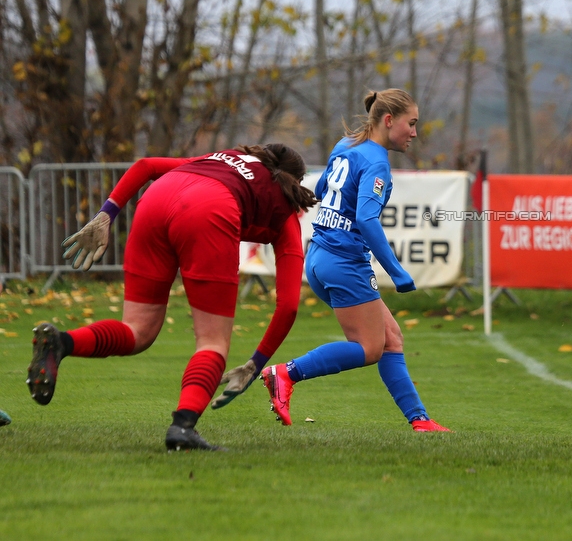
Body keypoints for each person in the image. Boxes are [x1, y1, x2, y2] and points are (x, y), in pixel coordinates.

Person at [28, 144, 317, 451]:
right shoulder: (283, 212)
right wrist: (254, 364)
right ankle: (182, 427)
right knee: (212, 343)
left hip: (156, 199)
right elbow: (287, 306)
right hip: (210, 208)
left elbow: (146, 166)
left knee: (137, 331)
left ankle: (62, 342)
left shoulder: (223, 159)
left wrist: (107, 214)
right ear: (293, 185)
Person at [214, 89, 450, 432]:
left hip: (320, 255)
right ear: (388, 120)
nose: (414, 132)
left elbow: (323, 188)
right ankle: (284, 373)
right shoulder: (376, 161)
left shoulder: (345, 146)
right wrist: (397, 272)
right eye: (411, 123)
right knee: (370, 348)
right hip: (344, 262)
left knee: (391, 339)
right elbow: (367, 221)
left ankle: (420, 420)